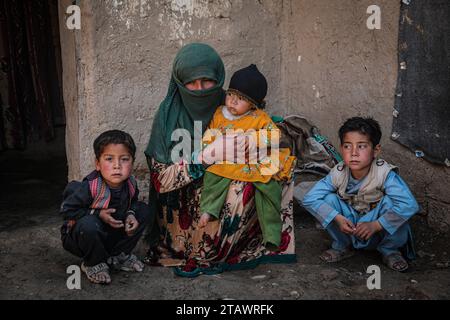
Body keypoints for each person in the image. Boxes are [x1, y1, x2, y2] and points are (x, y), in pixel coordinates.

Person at [143, 43, 296, 276]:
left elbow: (272, 131)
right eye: (191, 82)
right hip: (182, 202)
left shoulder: (231, 102)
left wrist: (256, 141)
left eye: (207, 81)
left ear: (219, 79)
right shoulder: (168, 115)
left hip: (226, 178)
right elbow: (160, 181)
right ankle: (200, 248)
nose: (200, 89)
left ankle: (259, 241)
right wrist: (206, 157)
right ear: (179, 82)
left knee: (272, 171)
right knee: (235, 185)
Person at [197, 64, 296, 251]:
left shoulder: (259, 117)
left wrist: (254, 138)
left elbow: (274, 135)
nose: (233, 102)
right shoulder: (220, 113)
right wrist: (207, 148)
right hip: (228, 159)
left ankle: (272, 233)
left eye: (241, 99)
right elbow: (210, 133)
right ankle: (209, 210)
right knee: (213, 175)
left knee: (268, 186)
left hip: (254, 160)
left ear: (253, 103)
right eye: (230, 95)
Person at [302, 117, 419, 272]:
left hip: (377, 230)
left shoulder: (384, 173)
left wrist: (376, 225)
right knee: (328, 199)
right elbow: (309, 198)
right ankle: (342, 246)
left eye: (362, 146)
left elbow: (410, 205)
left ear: (376, 150)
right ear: (341, 148)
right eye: (347, 146)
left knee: (392, 203)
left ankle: (390, 250)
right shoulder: (338, 172)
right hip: (349, 227)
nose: (354, 153)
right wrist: (338, 218)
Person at [60, 130, 153, 284]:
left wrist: (130, 214)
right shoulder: (89, 187)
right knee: (89, 224)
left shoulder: (130, 183)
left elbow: (134, 202)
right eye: (109, 159)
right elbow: (66, 210)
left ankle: (118, 255)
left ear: (133, 162)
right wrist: (97, 214)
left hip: (110, 233)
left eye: (124, 159)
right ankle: (93, 262)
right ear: (97, 164)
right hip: (82, 237)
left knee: (143, 210)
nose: (117, 166)